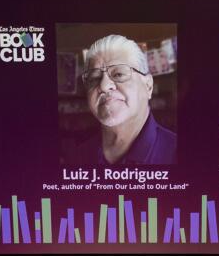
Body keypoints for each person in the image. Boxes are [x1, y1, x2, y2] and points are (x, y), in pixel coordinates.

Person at [68, 34, 176, 166]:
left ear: (148, 86)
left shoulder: (179, 154)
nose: (103, 86)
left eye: (119, 74)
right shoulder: (77, 158)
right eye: (94, 78)